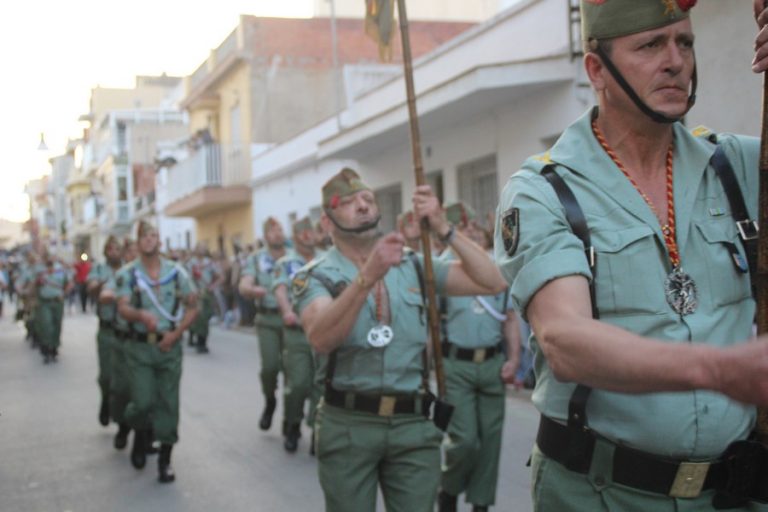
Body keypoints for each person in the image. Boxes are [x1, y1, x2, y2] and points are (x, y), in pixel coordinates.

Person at [494, 1, 768, 510]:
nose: (675, 62)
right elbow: (565, 340)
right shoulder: (544, 189)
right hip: (599, 492)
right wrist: (719, 368)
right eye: (650, 45)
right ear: (596, 69)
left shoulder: (739, 166)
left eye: (684, 43)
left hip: (733, 493)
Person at [292, 167, 506, 512]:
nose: (362, 206)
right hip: (348, 424)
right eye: (347, 202)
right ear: (327, 224)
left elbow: (493, 281)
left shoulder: (412, 265)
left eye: (367, 199)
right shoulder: (314, 276)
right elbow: (321, 337)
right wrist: (367, 276)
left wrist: (443, 227)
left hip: (413, 424)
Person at [437, 202, 520, 512]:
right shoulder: (441, 268)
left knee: (490, 441)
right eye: (460, 227)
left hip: (491, 364)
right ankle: (448, 488)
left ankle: (481, 503)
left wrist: (513, 358)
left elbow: (509, 318)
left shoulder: (497, 269)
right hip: (455, 365)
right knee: (465, 440)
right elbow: (431, 322)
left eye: (471, 225)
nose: (468, 231)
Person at [116, 221, 198, 483]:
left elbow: (193, 306)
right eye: (145, 236)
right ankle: (139, 433)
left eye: (154, 236)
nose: (150, 240)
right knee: (142, 401)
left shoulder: (177, 273)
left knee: (168, 403)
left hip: (169, 346)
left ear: (160, 241)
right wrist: (140, 315)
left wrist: (176, 333)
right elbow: (122, 306)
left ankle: (165, 459)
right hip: (140, 346)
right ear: (138, 242)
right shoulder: (129, 274)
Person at [272, 216, 320, 453]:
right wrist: (287, 311)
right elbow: (280, 289)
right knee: (299, 383)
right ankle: (292, 422)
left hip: (323, 330)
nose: (309, 235)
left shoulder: (326, 259)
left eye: (311, 230)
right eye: (303, 232)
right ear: (296, 237)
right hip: (298, 332)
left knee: (321, 385)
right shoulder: (287, 263)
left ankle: (317, 431)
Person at [239, 218, 287, 432]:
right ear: (266, 235)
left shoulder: (295, 256)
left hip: (295, 320)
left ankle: (291, 419)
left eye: (280, 230)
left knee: (296, 372)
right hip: (268, 318)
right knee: (270, 368)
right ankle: (270, 400)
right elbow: (244, 283)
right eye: (273, 231)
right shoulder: (257, 259)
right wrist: (250, 289)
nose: (278, 234)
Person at [87, 236, 123, 427]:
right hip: (108, 329)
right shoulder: (100, 269)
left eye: (117, 249)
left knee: (127, 379)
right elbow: (91, 288)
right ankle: (106, 401)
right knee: (107, 376)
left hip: (127, 330)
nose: (114, 252)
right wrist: (104, 284)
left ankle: (122, 419)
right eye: (110, 249)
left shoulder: (130, 268)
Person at [33, 251, 73, 363]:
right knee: (46, 324)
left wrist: (64, 293)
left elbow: (69, 283)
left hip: (57, 301)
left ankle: (54, 346)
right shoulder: (40, 270)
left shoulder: (60, 270)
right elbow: (34, 285)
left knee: (57, 324)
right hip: (44, 302)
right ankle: (46, 347)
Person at [187, 244, 221, 353]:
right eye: (200, 248)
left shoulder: (209, 263)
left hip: (207, 293)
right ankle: (200, 342)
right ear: (196, 250)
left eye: (203, 248)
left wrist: (213, 286)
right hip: (196, 293)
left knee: (206, 316)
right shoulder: (191, 263)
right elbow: (186, 278)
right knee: (199, 317)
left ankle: (202, 339)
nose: (202, 250)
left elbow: (220, 276)